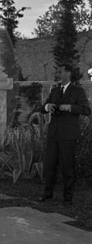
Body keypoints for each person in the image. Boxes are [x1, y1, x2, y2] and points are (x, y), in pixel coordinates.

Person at [38, 63, 91, 205]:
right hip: (53, 134)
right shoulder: (55, 91)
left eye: (60, 72)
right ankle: (47, 194)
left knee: (68, 167)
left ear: (68, 73)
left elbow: (86, 110)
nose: (57, 74)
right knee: (49, 165)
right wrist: (48, 106)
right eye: (57, 72)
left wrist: (70, 107)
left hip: (68, 135)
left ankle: (67, 198)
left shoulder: (77, 91)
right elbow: (42, 108)